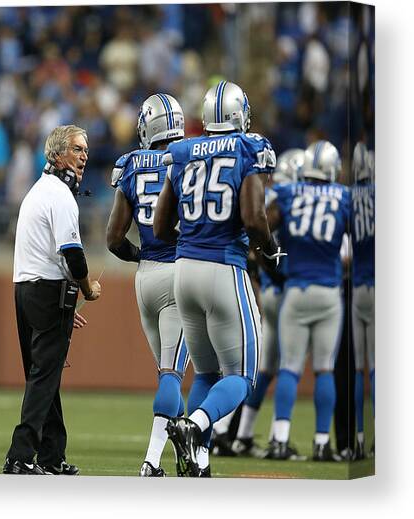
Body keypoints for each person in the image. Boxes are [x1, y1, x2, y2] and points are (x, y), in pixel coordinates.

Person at [153, 80, 280, 477]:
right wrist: (272, 252)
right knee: (242, 377)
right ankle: (196, 426)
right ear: (240, 114)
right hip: (224, 268)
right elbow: (254, 218)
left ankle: (201, 464)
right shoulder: (248, 147)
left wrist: (193, 239)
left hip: (183, 271)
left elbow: (159, 226)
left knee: (205, 374)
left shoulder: (183, 150)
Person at [3, 125, 101, 475]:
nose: (84, 156)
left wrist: (66, 302)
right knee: (44, 376)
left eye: (85, 150)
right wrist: (87, 289)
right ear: (58, 154)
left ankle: (51, 455)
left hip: (27, 290)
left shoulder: (38, 190)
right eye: (77, 149)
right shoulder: (60, 195)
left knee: (46, 374)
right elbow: (72, 254)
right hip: (46, 292)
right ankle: (20, 455)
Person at [106, 93, 189, 477]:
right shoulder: (189, 156)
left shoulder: (132, 165)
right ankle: (151, 461)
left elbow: (113, 239)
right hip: (178, 275)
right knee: (172, 374)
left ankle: (186, 455)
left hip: (145, 280)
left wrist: (142, 256)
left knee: (167, 373)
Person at [265, 140, 350, 461]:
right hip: (329, 291)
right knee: (325, 369)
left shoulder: (287, 195)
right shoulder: (344, 197)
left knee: (289, 368)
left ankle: (280, 439)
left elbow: (260, 230)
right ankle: (321, 441)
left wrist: (276, 265)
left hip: (296, 289)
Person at [233, 148, 305, 459]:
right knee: (289, 366)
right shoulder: (295, 199)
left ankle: (240, 434)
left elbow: (254, 246)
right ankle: (279, 437)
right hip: (291, 288)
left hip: (270, 289)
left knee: (265, 367)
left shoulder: (272, 197)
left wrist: (264, 276)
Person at [350, 142, 375, 460]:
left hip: (355, 286)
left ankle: (357, 436)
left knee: (357, 369)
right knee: (378, 369)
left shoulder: (347, 197)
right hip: (380, 285)